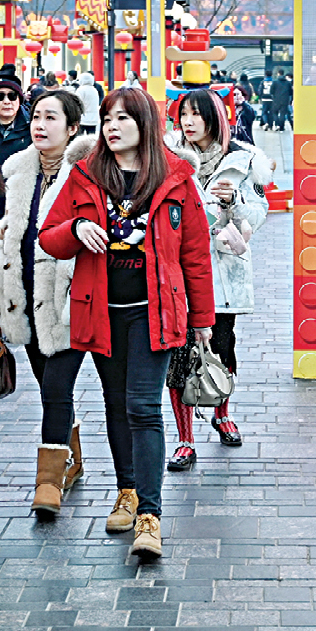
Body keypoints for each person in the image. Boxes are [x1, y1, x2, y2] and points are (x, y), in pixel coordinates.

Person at [38, 88, 215, 560]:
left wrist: (202, 319)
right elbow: (49, 238)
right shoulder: (85, 175)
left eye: (123, 118)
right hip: (101, 310)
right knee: (116, 403)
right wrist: (75, 229)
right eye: (107, 119)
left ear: (145, 125)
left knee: (143, 406)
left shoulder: (176, 178)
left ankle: (149, 517)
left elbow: (196, 254)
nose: (112, 127)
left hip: (154, 310)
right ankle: (127, 491)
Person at [0, 89, 95, 518]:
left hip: (68, 299)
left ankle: (48, 482)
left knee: (55, 387)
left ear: (72, 128)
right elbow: (2, 236)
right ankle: (73, 459)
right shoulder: (17, 170)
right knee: (48, 384)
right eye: (36, 116)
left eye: (51, 118)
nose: (40, 125)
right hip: (24, 298)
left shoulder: (88, 173)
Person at [163, 88, 270, 469]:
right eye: (183, 114)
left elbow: (258, 212)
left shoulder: (242, 160)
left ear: (215, 118)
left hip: (222, 270)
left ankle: (222, 413)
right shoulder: (168, 157)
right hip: (177, 270)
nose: (188, 122)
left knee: (222, 346)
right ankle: (185, 438)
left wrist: (232, 203)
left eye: (197, 114)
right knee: (179, 352)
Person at [75, 71, 101, 136]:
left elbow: (77, 103)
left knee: (79, 138)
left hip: (82, 118)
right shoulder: (94, 90)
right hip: (93, 118)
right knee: (91, 138)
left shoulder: (81, 90)